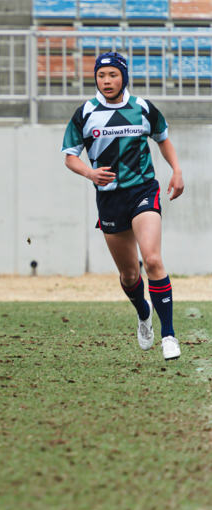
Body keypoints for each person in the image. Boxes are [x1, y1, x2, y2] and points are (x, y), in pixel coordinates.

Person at [62, 52, 184, 361]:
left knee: (152, 260)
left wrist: (177, 170)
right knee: (130, 275)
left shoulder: (142, 108)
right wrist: (89, 173)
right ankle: (143, 313)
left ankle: (169, 335)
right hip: (109, 199)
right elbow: (70, 156)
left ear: (124, 77)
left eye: (113, 75)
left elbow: (163, 138)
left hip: (143, 191)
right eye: (101, 75)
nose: (107, 81)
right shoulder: (85, 112)